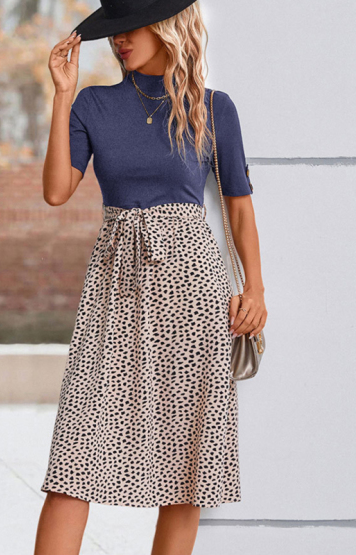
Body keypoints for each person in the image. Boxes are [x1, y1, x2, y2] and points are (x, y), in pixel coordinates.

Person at [34, 1, 267, 554]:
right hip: (114, 286)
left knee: (187, 466)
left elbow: (238, 205)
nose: (118, 40)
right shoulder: (92, 103)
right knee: (75, 456)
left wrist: (255, 289)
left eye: (128, 27)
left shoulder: (213, 108)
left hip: (193, 290)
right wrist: (62, 94)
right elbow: (56, 191)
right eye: (112, 31)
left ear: (166, 26)